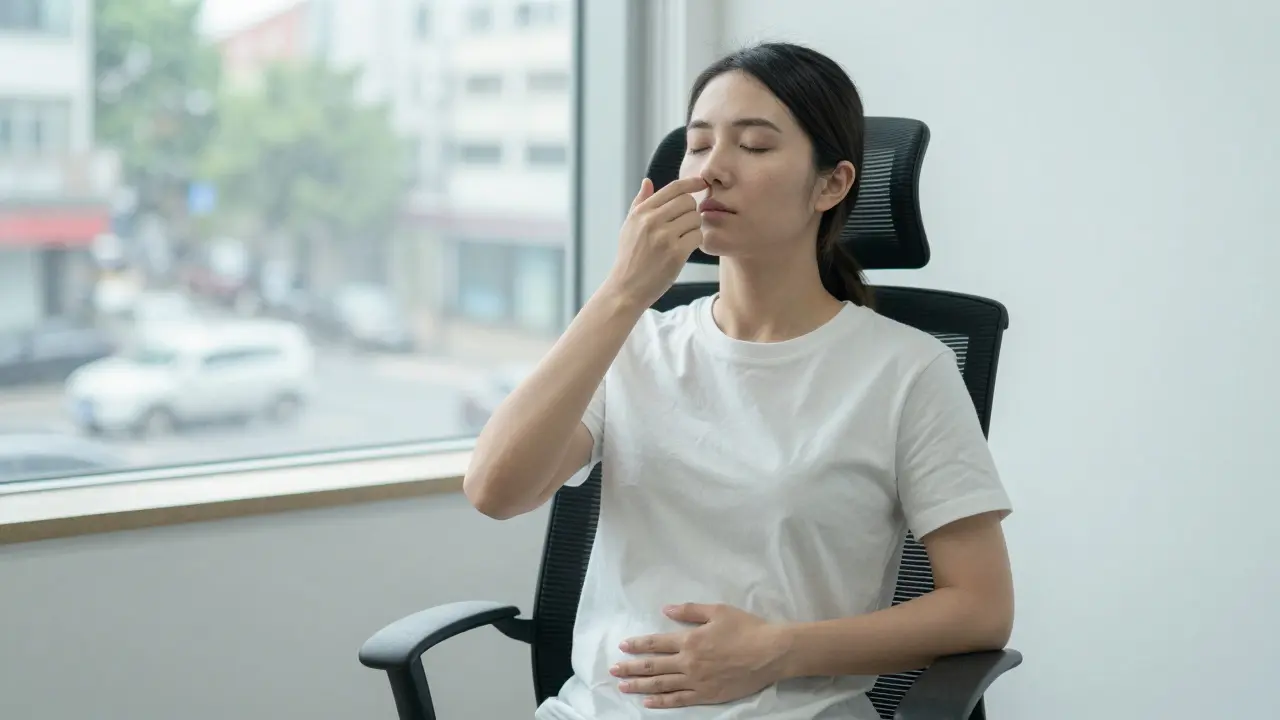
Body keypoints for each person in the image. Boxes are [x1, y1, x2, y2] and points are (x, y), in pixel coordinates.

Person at [465, 42, 1014, 720]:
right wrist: (620, 295)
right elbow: (495, 490)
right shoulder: (633, 340)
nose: (711, 172)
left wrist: (779, 650)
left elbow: (981, 608)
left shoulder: (908, 369)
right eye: (697, 146)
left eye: (753, 146)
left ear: (832, 185)